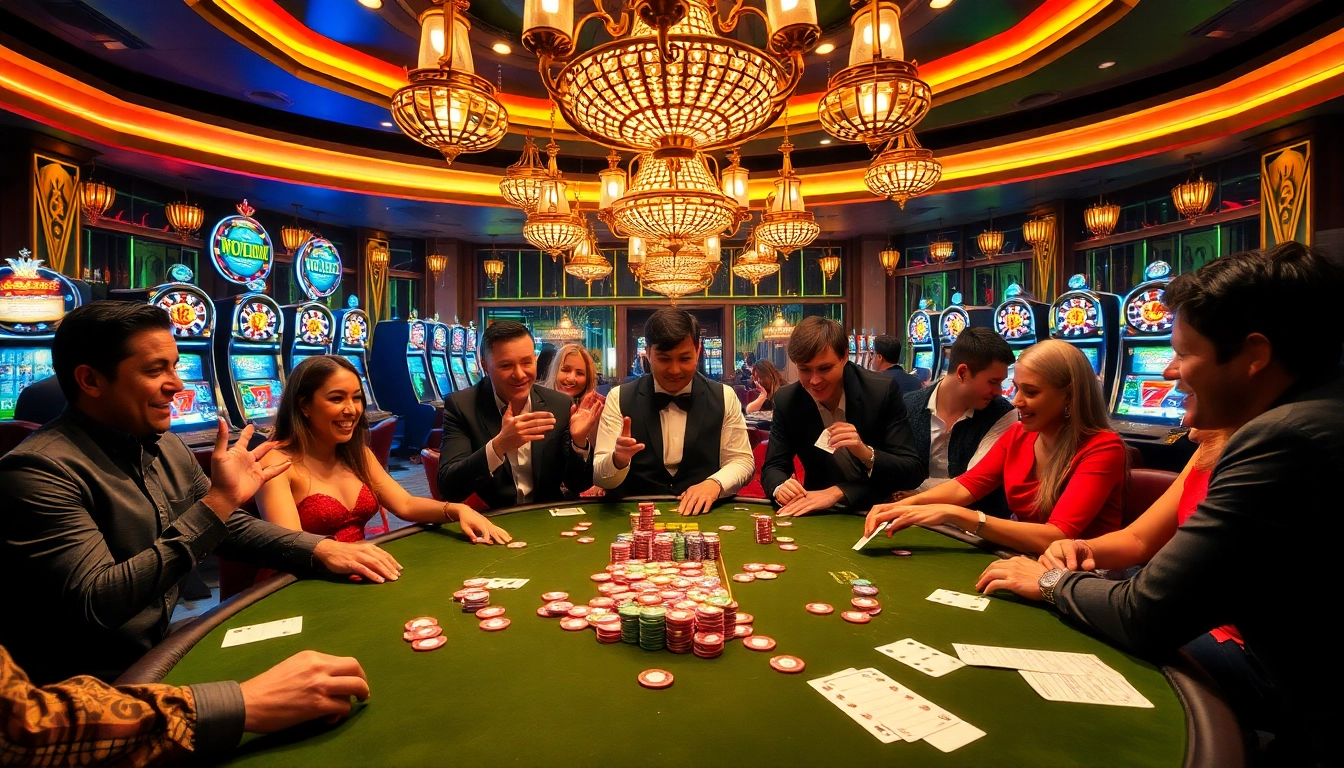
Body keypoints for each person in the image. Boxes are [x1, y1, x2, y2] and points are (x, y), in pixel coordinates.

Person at [974, 242, 1344, 765]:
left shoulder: (1286, 438)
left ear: (1255, 356)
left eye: (1184, 353)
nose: (1168, 372)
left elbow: (1146, 614)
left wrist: (1051, 582)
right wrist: (1078, 555)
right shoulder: (1309, 412)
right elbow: (1139, 541)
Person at [0, 303, 401, 685]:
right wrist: (220, 502)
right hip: (86, 685)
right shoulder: (37, 471)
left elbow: (231, 529)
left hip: (165, 646)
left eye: (175, 366)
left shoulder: (167, 446)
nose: (177, 385)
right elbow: (101, 602)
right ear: (90, 380)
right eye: (156, 370)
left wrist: (317, 549)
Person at [864, 339, 1125, 554]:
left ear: (1069, 396)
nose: (1017, 401)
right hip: (1025, 556)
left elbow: (1057, 536)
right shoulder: (1018, 435)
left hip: (1085, 573)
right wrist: (905, 506)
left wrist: (955, 515)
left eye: (1031, 392)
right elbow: (967, 485)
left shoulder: (1103, 448)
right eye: (1016, 389)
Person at [258, 356, 510, 544]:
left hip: (358, 568)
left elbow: (405, 504)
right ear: (304, 405)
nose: (352, 409)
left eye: (356, 397)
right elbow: (291, 547)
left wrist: (457, 509)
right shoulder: (276, 462)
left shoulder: (356, 454)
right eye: (336, 399)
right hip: (298, 583)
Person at [0, 645, 369, 766]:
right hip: (92, 660)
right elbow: (20, 729)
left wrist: (316, 549)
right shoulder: (37, 471)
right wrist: (239, 702)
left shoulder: (169, 460)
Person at [761, 317, 926, 516]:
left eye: (824, 368)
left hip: (878, 509)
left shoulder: (880, 391)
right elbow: (773, 467)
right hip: (820, 515)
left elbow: (911, 472)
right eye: (804, 369)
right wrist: (780, 487)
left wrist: (865, 453)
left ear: (844, 357)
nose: (814, 381)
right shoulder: (788, 400)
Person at [593, 309, 754, 514]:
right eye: (664, 359)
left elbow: (742, 460)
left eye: (685, 359)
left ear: (698, 350)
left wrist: (715, 484)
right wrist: (618, 459)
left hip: (705, 514)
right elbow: (599, 476)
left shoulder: (725, 396)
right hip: (633, 515)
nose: (675, 370)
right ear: (648, 352)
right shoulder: (618, 397)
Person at [438, 320, 602, 509]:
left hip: (546, 518)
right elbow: (448, 489)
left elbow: (578, 484)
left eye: (526, 362)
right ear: (484, 365)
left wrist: (579, 443)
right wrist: (499, 446)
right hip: (495, 520)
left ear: (536, 359)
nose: (519, 374)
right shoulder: (462, 406)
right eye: (506, 366)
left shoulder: (559, 404)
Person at [905, 328, 1018, 498]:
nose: (999, 392)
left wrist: (915, 495)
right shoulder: (908, 405)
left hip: (977, 518)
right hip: (911, 515)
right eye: (993, 382)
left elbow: (974, 482)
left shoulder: (1003, 413)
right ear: (962, 372)